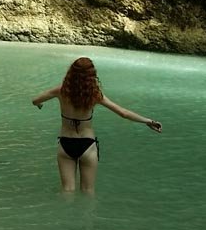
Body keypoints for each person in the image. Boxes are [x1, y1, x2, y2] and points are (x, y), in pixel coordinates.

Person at [31, 57, 162, 193]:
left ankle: (65, 214)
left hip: (66, 143)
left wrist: (40, 104)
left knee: (67, 190)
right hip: (87, 145)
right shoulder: (95, 95)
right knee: (88, 191)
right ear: (92, 75)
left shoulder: (61, 91)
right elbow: (123, 113)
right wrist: (148, 121)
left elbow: (35, 100)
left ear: (71, 73)